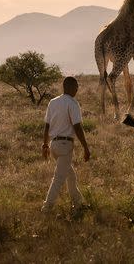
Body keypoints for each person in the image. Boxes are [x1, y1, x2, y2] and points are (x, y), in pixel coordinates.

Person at [41, 76, 90, 213]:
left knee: (70, 175)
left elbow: (47, 126)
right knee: (58, 178)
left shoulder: (53, 102)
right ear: (70, 87)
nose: (77, 89)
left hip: (54, 145)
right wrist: (86, 147)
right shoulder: (72, 103)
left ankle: (79, 203)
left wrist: (45, 145)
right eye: (76, 87)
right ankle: (47, 208)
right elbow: (77, 127)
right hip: (65, 145)